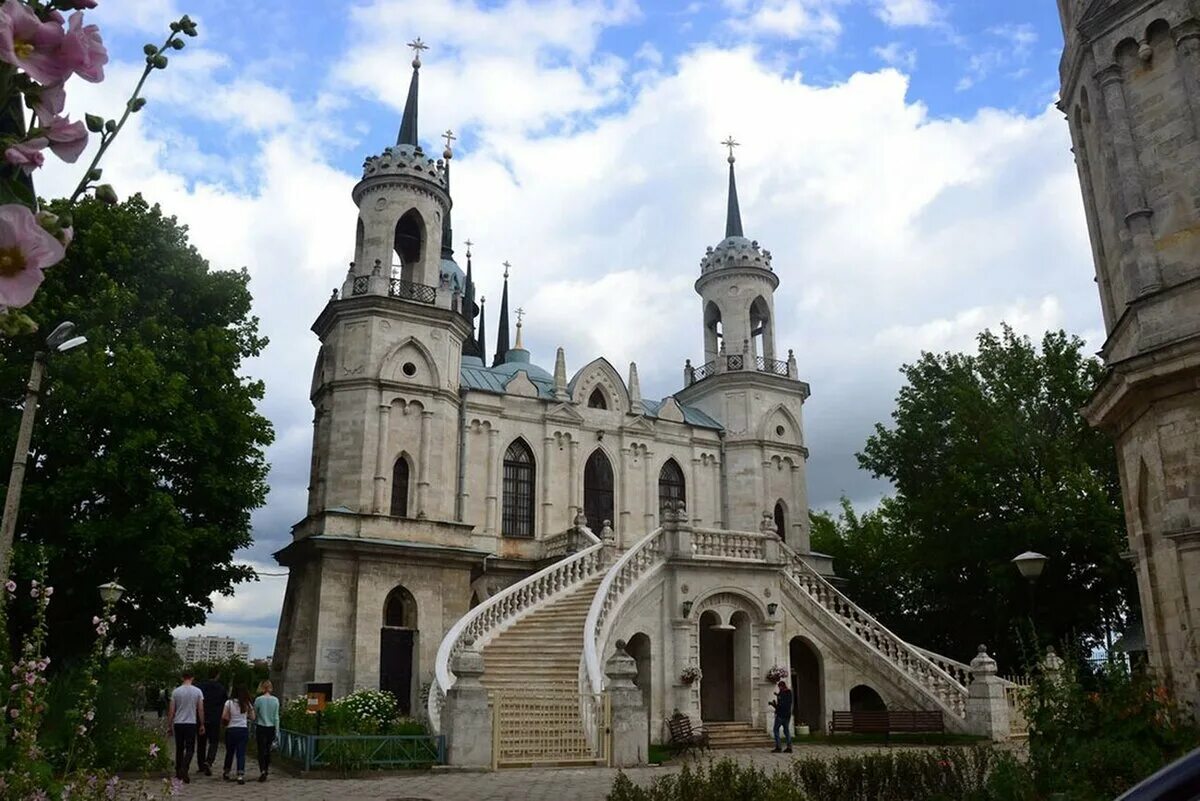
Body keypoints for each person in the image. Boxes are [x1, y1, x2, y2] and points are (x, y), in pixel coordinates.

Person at [167, 671, 206, 782]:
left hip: (178, 722)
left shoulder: (176, 692)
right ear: (192, 678)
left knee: (179, 748)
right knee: (190, 748)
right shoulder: (198, 691)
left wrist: (169, 725)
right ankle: (185, 768)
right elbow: (200, 709)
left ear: (182, 677)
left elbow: (171, 710)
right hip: (191, 722)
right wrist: (202, 723)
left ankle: (178, 770)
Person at [221, 685, 255, 784]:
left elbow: (224, 716)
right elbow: (253, 717)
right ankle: (240, 774)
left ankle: (227, 771)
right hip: (243, 729)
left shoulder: (229, 702)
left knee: (230, 752)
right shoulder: (246, 703)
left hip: (231, 729)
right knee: (241, 753)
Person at [195, 670, 227, 776]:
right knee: (213, 742)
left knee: (201, 742)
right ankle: (209, 761)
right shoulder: (221, 688)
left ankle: (201, 765)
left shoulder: (200, 687)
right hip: (215, 718)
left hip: (202, 717)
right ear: (217, 676)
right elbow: (224, 703)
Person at [253, 680, 281, 782]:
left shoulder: (259, 700)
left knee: (261, 749)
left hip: (261, 726)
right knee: (268, 750)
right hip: (271, 727)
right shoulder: (275, 700)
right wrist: (277, 730)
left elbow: (255, 714)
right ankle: (267, 768)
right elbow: (276, 716)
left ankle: (262, 770)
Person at [769, 680, 794, 753]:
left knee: (776, 730)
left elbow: (780, 706)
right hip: (787, 715)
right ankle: (789, 747)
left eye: (779, 687)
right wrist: (777, 695)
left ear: (781, 686)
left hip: (780, 715)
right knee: (786, 731)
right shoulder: (789, 692)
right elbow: (787, 702)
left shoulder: (781, 694)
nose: (779, 688)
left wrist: (773, 704)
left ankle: (778, 747)